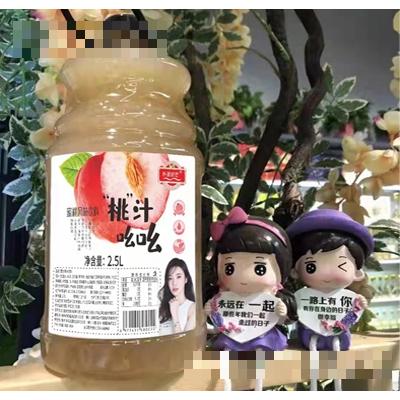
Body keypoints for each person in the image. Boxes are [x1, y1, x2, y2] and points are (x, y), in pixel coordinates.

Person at [205, 206, 297, 351]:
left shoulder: (273, 299)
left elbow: (281, 320)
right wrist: (209, 311)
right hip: (232, 334)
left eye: (260, 269)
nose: (244, 277)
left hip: (264, 335)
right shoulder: (222, 298)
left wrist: (282, 314)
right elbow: (218, 322)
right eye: (229, 268)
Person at [286, 209, 374, 351]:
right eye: (311, 267)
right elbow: (294, 313)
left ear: (357, 273)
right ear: (295, 271)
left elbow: (352, 314)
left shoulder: (348, 298)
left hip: (340, 333)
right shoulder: (301, 297)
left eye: (341, 266)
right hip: (308, 333)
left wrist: (359, 305)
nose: (326, 273)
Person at [158, 258, 196, 334]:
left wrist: (175, 315)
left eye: (178, 277)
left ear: (186, 279)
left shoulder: (192, 308)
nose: (174, 283)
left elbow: (185, 340)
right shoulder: (163, 306)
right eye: (170, 278)